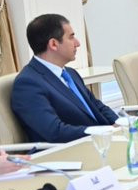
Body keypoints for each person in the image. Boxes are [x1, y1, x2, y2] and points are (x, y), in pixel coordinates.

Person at [10, 14, 118, 144]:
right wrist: (103, 131)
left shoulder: (70, 73)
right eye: (71, 37)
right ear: (54, 44)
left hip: (101, 141)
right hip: (71, 149)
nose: (77, 43)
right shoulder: (28, 84)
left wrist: (121, 123)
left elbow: (97, 106)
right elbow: (55, 132)